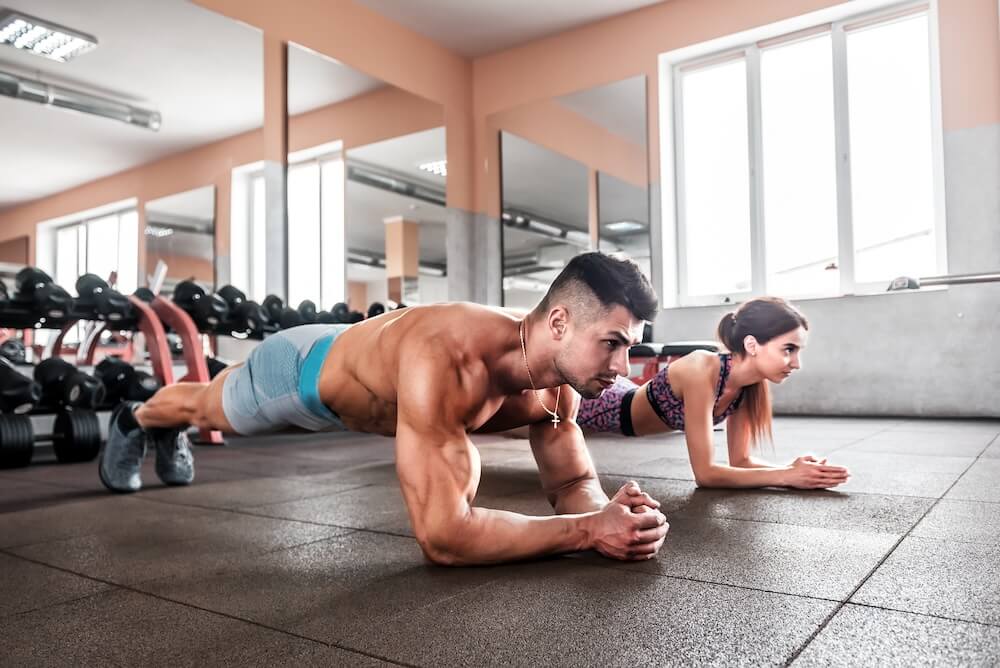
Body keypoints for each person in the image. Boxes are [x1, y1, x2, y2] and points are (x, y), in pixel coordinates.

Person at [100, 252, 670, 566]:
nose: (622, 369)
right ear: (560, 323)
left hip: (367, 384)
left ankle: (156, 423)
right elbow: (444, 537)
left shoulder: (555, 391)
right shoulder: (447, 358)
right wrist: (585, 532)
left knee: (472, 466)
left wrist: (612, 514)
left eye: (628, 348)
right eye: (612, 343)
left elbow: (571, 478)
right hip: (301, 375)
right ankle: (139, 419)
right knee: (209, 407)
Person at [577, 297, 850, 489]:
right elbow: (706, 474)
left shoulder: (749, 387)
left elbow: (740, 462)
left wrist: (791, 469)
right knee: (537, 423)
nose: (797, 362)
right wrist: (787, 477)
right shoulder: (702, 368)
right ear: (752, 345)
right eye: (788, 349)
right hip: (600, 403)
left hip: (623, 413)